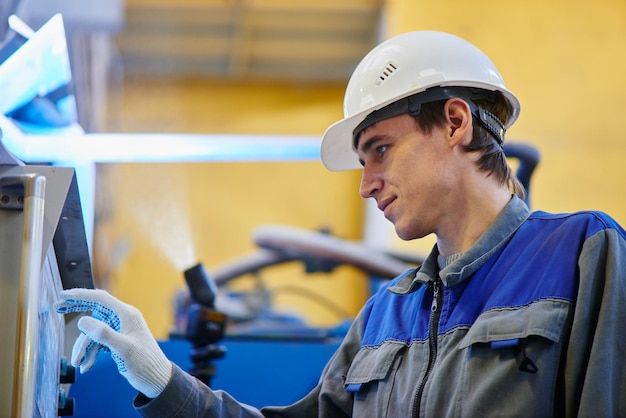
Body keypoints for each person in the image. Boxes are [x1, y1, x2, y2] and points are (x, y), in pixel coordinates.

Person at [56, 30, 626, 417]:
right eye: (362, 160)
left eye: (380, 149)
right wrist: (159, 377)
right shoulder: (384, 316)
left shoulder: (581, 255)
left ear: (454, 122)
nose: (366, 182)